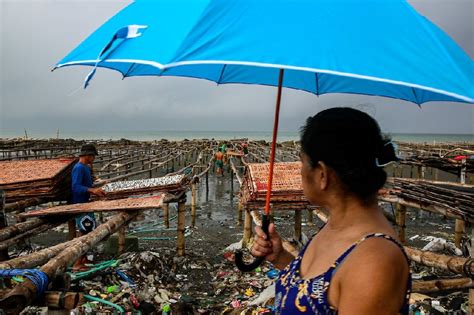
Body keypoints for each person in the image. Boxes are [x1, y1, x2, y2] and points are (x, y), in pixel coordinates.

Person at [251, 108, 410, 314]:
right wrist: (280, 257)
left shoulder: (374, 262)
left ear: (322, 174)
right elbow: (317, 293)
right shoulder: (336, 227)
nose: (300, 171)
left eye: (302, 162)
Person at [71, 143, 106, 270]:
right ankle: (77, 263)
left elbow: (88, 182)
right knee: (84, 231)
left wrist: (97, 183)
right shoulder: (78, 168)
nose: (94, 159)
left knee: (88, 230)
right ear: (88, 155)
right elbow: (75, 187)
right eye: (93, 156)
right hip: (81, 204)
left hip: (87, 204)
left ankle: (83, 258)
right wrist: (92, 190)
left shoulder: (86, 167)